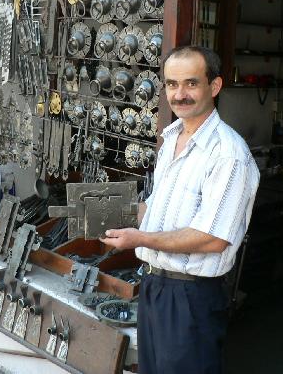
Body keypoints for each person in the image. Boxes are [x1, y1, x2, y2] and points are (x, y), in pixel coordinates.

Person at [100, 45, 259, 373]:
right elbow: (157, 210)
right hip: (156, 287)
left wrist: (139, 240)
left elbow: (213, 238)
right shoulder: (171, 139)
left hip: (191, 296)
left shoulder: (227, 154)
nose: (179, 94)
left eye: (191, 83)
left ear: (213, 87)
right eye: (171, 84)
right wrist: (111, 213)